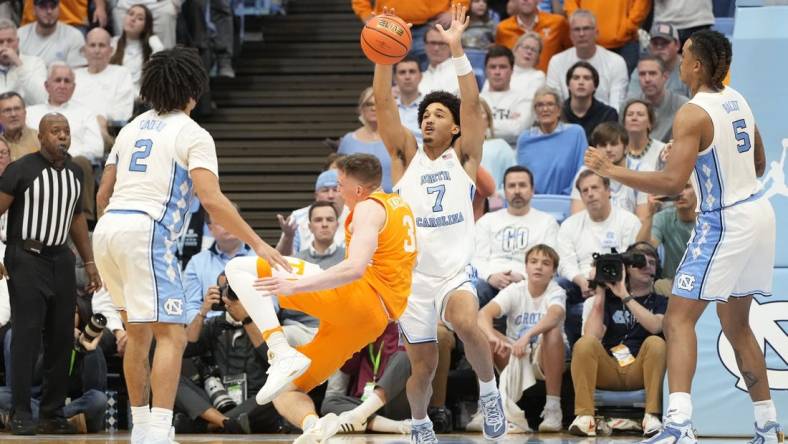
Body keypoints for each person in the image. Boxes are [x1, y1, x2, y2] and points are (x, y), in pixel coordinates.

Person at [584, 30, 783, 441]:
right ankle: (768, 425)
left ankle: (678, 425)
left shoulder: (692, 113)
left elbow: (673, 182)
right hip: (759, 214)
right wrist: (701, 155)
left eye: (685, 57)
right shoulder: (738, 99)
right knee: (736, 324)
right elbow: (760, 163)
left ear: (696, 65)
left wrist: (611, 170)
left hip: (724, 219)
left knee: (677, 319)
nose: (679, 63)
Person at [92, 47, 290, 444]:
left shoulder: (130, 128)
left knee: (138, 333)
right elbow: (212, 200)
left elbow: (102, 194)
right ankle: (158, 430)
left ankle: (142, 426)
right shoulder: (193, 133)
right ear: (193, 92)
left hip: (109, 227)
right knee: (173, 335)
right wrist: (259, 243)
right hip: (146, 230)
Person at [373, 6, 507, 442]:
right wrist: (382, 56)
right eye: (425, 114)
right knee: (423, 368)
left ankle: (490, 394)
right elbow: (383, 106)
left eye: (438, 115)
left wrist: (456, 49)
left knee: (467, 323)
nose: (428, 118)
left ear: (455, 130)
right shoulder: (405, 161)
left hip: (454, 272)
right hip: (412, 279)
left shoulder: (465, 160)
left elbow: (470, 102)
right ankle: (418, 422)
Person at [224, 153, 417, 443]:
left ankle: (279, 350)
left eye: (341, 184)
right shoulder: (401, 207)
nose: (338, 191)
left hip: (359, 299)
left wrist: (297, 286)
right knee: (285, 388)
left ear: (359, 189)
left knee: (237, 267)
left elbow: (354, 268)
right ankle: (313, 426)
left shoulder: (368, 208)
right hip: (372, 321)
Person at [0, 112, 100, 435]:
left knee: (60, 338)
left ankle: (52, 412)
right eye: (55, 131)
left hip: (60, 260)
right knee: (27, 335)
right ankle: (19, 411)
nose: (62, 136)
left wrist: (89, 262)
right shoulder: (20, 169)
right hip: (25, 256)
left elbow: (77, 220)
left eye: (66, 131)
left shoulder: (75, 172)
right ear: (41, 137)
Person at [569, 242, 667, 437]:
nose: (648, 266)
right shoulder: (609, 301)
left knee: (656, 343)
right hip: (609, 368)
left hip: (640, 369)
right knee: (584, 344)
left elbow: (655, 326)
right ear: (627, 269)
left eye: (653, 263)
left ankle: (651, 415)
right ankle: (584, 417)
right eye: (641, 262)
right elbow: (591, 336)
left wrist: (624, 296)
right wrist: (600, 293)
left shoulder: (661, 301)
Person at [477, 244, 566, 433]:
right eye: (533, 262)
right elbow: (483, 314)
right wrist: (492, 337)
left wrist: (527, 335)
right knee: (481, 336)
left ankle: (553, 409)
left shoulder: (556, 290)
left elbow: (555, 314)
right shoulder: (515, 290)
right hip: (514, 354)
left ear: (553, 272)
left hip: (544, 357)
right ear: (525, 267)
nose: (538, 267)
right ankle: (488, 406)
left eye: (546, 263)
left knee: (552, 333)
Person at [557, 169, 641, 345]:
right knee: (556, 289)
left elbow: (631, 259)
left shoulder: (629, 221)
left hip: (618, 283)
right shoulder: (570, 225)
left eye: (595, 188)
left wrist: (603, 281)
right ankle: (561, 347)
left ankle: (588, 351)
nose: (590, 194)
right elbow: (565, 263)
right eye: (585, 191)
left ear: (608, 190)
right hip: (581, 284)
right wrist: (582, 281)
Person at [473, 166, 559, 305]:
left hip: (530, 284)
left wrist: (524, 277)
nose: (517, 191)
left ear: (532, 190)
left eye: (523, 185)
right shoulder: (487, 221)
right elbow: (477, 259)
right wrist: (490, 277)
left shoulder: (547, 222)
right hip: (491, 283)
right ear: (505, 191)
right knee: (473, 291)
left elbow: (550, 261)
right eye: (512, 186)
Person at [321, 323, 412, 434]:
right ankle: (396, 426)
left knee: (405, 358)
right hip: (362, 403)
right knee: (329, 403)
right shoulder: (363, 330)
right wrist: (355, 335)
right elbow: (348, 367)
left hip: (393, 400)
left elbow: (406, 364)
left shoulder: (401, 327)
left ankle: (359, 416)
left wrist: (388, 326)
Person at [546, 9, 628, 112]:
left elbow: (617, 107)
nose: (581, 34)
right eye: (576, 29)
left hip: (605, 123)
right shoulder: (556, 62)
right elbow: (554, 104)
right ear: (570, 35)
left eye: (586, 29)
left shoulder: (616, 62)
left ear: (596, 33)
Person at [515, 86, 587, 195]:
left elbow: (582, 170)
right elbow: (521, 176)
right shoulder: (525, 139)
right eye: (540, 105)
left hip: (569, 200)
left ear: (558, 110)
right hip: (534, 202)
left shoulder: (576, 133)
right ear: (535, 111)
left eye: (550, 104)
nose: (545, 109)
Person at [569, 122, 648, 217]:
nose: (608, 149)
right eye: (603, 145)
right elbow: (577, 216)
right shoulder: (585, 173)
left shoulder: (642, 171)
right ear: (595, 149)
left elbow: (643, 219)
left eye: (614, 144)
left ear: (626, 148)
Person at [563, 0, 650, 74]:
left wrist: (628, 27)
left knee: (624, 91)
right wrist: (580, 25)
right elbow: (571, 5)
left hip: (625, 45)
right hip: (588, 45)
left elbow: (641, 4)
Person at [276, 169, 348, 255]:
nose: (330, 196)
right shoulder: (297, 218)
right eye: (325, 190)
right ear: (316, 196)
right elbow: (283, 258)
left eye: (336, 190)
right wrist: (288, 237)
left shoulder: (356, 217)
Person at [637, 182, 696, 286]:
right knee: (660, 285)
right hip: (673, 284)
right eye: (676, 188)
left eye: (686, 187)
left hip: (706, 282)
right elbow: (642, 249)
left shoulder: (711, 219)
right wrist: (650, 214)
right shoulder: (663, 218)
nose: (681, 193)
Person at [72, 28, 135, 125]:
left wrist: (99, 119)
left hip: (108, 129)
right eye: (92, 45)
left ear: (111, 51)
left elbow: (124, 113)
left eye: (102, 45)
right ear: (84, 50)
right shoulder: (74, 75)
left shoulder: (122, 74)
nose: (97, 50)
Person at [338, 87, 393, 192]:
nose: (373, 108)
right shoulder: (348, 140)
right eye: (368, 104)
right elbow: (340, 175)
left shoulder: (396, 138)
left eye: (377, 104)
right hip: (356, 202)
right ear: (361, 108)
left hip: (392, 203)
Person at [494, 0, 570, 72]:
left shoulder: (558, 23)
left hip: (551, 83)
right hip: (516, 83)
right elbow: (498, 61)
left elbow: (571, 53)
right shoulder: (503, 28)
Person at [480, 45, 533, 145]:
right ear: (486, 71)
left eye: (503, 67)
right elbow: (468, 129)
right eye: (492, 67)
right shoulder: (476, 99)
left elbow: (518, 130)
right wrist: (508, 124)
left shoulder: (524, 98)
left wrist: (482, 125)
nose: (497, 72)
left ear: (512, 70)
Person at [629, 55, 689, 143]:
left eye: (652, 73)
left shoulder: (683, 106)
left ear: (665, 76)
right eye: (642, 74)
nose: (647, 79)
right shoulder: (629, 107)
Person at [110, 4, 164, 97]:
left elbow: (158, 77)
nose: (133, 19)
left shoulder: (152, 46)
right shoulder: (112, 43)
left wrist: (153, 39)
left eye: (140, 18)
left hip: (140, 102)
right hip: (114, 97)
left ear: (146, 26)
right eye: (130, 14)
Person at [626, 22, 690, 99]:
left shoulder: (689, 69)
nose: (659, 47)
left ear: (677, 45)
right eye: (655, 43)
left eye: (665, 43)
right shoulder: (641, 70)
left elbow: (697, 106)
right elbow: (631, 102)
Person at [17, 0, 85, 67]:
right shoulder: (20, 35)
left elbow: (78, 73)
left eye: (53, 6)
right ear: (34, 10)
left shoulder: (74, 36)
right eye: (43, 6)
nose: (49, 11)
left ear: (59, 8)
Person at [562, 61, 618, 140]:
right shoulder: (558, 113)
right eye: (576, 78)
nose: (581, 82)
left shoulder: (607, 114)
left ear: (595, 86)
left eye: (587, 78)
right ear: (568, 85)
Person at [0, 19, 47, 106]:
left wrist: (19, 64)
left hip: (27, 116)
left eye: (10, 41)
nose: (5, 46)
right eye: (0, 42)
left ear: (17, 42)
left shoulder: (35, 63)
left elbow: (42, 99)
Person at [490, 32, 545, 105]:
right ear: (515, 49)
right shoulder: (500, 69)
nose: (529, 52)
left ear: (538, 57)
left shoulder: (538, 76)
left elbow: (528, 103)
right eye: (526, 47)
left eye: (534, 50)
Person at [293, 201, 346, 270]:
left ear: (337, 225)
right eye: (318, 220)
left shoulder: (349, 259)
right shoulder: (296, 261)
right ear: (310, 227)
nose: (324, 224)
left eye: (330, 220)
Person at [478, 99, 516, 194]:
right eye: (472, 112)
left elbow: (514, 181)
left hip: (493, 204)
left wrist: (496, 199)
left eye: (480, 112)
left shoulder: (500, 146)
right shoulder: (454, 148)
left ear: (488, 120)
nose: (476, 116)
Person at [112, 0, 179, 49]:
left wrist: (177, 2)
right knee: (122, 52)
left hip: (161, 6)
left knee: (164, 53)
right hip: (126, 5)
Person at [622, 99, 666, 172]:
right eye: (630, 114)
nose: (634, 118)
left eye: (640, 114)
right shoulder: (616, 150)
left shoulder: (663, 150)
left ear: (650, 123)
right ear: (624, 123)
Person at [419, 27, 459, 96]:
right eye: (432, 43)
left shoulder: (460, 73)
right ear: (425, 45)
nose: (436, 48)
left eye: (441, 43)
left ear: (450, 45)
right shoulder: (419, 77)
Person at [0, 92, 40, 161]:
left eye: (17, 109)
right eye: (7, 110)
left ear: (25, 112)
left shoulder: (41, 139)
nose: (13, 114)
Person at [393, 55, 423, 141]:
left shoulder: (431, 107)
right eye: (402, 72)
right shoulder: (388, 108)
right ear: (395, 78)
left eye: (412, 72)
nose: (407, 77)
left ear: (421, 76)